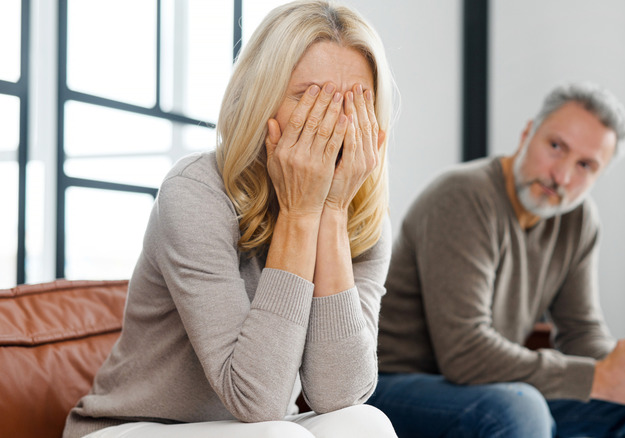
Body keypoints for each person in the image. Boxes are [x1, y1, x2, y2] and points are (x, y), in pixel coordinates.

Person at [63, 1, 398, 437]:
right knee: (278, 434)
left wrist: (331, 213)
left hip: (250, 428)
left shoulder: (364, 217)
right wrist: (299, 215)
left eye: (356, 102)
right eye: (309, 97)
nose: (331, 123)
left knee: (365, 422)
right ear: (263, 102)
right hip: (131, 426)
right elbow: (258, 401)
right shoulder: (194, 191)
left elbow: (340, 395)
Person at [367, 82, 625, 437]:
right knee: (519, 406)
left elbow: (580, 332)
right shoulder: (463, 197)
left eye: (586, 165)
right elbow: (465, 354)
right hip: (397, 385)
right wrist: (598, 377)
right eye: (556, 147)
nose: (562, 176)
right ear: (528, 133)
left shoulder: (577, 219)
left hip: (483, 387)